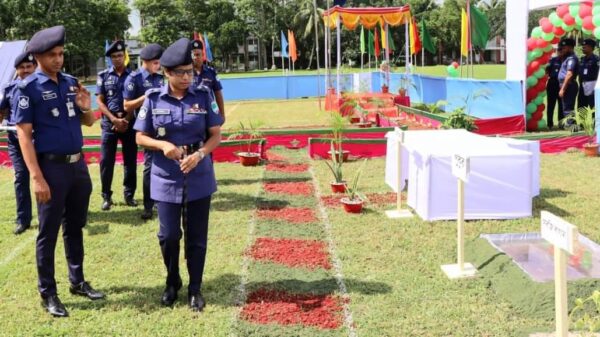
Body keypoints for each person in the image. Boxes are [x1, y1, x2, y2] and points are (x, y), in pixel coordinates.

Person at [14, 25, 104, 318]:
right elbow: (24, 135)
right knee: (48, 232)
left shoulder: (70, 83)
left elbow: (88, 122)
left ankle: (77, 281)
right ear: (38, 56)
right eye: (52, 54)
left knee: (75, 226)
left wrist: (86, 107)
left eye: (61, 53)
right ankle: (48, 291)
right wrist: (37, 177)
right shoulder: (28, 88)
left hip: (77, 167)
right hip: (50, 168)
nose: (58, 59)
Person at [134, 38, 222, 311]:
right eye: (180, 73)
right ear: (166, 73)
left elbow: (215, 135)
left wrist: (199, 155)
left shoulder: (203, 96)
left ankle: (195, 288)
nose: (187, 77)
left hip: (199, 173)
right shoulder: (153, 99)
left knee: (197, 236)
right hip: (166, 174)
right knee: (169, 235)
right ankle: (172, 282)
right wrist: (163, 145)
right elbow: (139, 136)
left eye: (190, 71)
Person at [123, 43, 164, 220]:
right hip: (145, 126)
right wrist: (145, 97)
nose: (158, 65)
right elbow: (127, 105)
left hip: (161, 125)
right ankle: (148, 205)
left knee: (162, 163)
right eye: (156, 62)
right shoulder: (134, 78)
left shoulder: (159, 77)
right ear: (145, 62)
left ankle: (160, 200)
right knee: (149, 166)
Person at [96, 40, 137, 211]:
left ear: (125, 56)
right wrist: (113, 119)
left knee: (130, 161)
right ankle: (107, 196)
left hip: (129, 124)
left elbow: (136, 101)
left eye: (120, 55)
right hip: (109, 125)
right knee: (106, 161)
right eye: (114, 56)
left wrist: (125, 120)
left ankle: (129, 195)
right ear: (110, 58)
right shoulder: (103, 76)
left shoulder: (134, 76)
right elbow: (99, 100)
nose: (118, 59)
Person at [0, 52, 36, 234]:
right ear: (17, 70)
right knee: (21, 178)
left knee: (48, 176)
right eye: (22, 67)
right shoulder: (9, 89)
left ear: (35, 67)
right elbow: (1, 112)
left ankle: (54, 214)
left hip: (40, 140)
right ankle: (23, 219)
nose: (26, 70)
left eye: (29, 67)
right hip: (16, 141)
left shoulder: (42, 86)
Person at [191, 39, 225, 123]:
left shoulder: (211, 72)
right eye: (193, 55)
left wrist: (222, 114)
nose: (195, 57)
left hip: (209, 111)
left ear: (203, 55)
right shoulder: (185, 73)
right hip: (192, 112)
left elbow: (218, 94)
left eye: (198, 55)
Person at [558, 38, 579, 129]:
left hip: (569, 85)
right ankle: (570, 124)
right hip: (566, 85)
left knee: (568, 107)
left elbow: (569, 74)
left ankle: (571, 125)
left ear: (570, 48)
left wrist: (563, 88)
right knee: (566, 106)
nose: (562, 49)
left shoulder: (572, 59)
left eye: (564, 48)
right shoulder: (566, 58)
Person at [545, 46, 564, 129]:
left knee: (561, 105)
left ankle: (561, 124)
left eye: (561, 51)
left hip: (561, 84)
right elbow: (547, 70)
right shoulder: (552, 60)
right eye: (559, 51)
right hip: (552, 83)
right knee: (551, 105)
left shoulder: (566, 61)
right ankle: (550, 124)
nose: (560, 52)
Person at [578, 39, 599, 109]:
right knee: (581, 107)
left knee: (593, 107)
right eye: (582, 47)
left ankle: (595, 120)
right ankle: (582, 120)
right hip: (582, 85)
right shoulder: (582, 59)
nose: (582, 49)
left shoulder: (596, 60)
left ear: (590, 48)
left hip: (592, 85)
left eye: (585, 47)